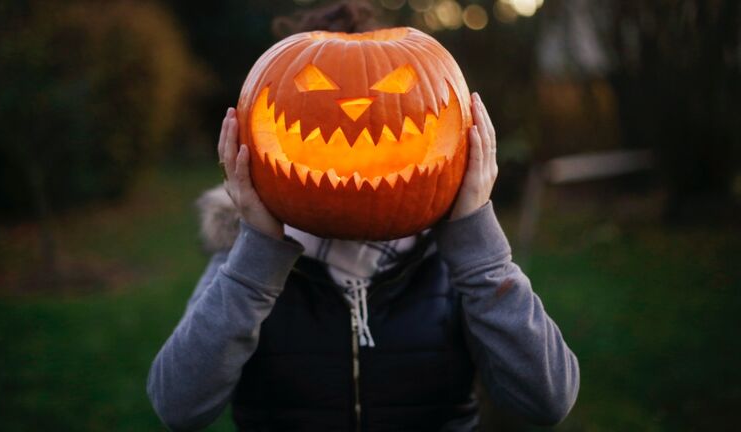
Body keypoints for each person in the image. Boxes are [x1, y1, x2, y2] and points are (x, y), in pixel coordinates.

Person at [147, 2, 579, 431]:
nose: (355, 106)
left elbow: (547, 401)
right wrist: (258, 251)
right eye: (313, 86)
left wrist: (478, 247)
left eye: (393, 84)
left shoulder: (457, 269)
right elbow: (178, 408)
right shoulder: (244, 267)